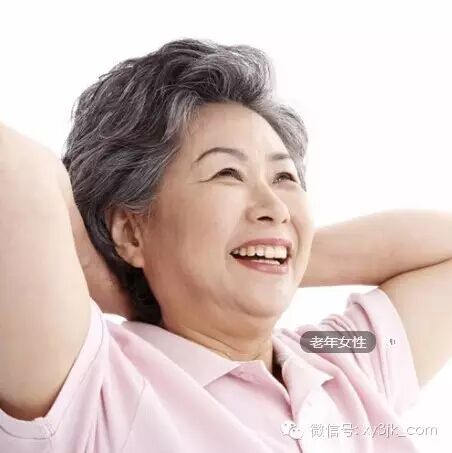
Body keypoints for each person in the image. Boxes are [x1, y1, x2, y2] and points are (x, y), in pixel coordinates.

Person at [1, 38, 451, 452]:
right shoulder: (94, 387)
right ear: (131, 231)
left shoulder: (341, 361)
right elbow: (17, 173)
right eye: (227, 173)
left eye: (284, 177)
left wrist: (281, 254)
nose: (275, 207)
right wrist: (99, 272)